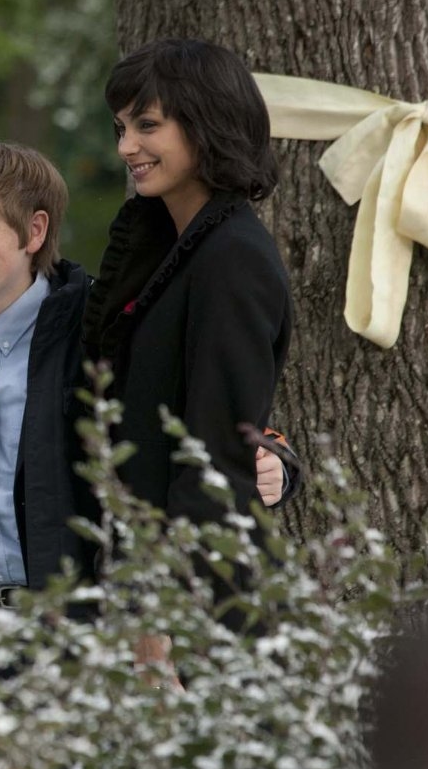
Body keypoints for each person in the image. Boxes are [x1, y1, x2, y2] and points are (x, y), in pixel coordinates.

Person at [0, 141, 292, 664]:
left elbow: (191, 414)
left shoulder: (99, 329)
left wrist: (277, 460)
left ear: (35, 231)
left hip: (78, 624)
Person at [80, 38, 292, 524]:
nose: (125, 147)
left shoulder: (234, 257)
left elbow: (217, 457)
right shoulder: (157, 244)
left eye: (147, 125)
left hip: (180, 559)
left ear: (206, 123)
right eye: (121, 128)